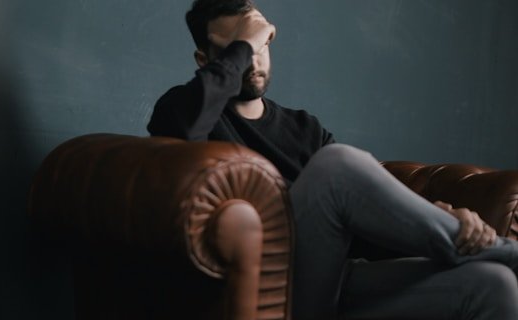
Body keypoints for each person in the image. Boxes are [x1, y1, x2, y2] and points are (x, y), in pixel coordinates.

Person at [147, 0, 518, 319]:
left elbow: (360, 223)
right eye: (242, 48)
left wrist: (439, 217)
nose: (254, 59)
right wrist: (246, 41)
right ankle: (503, 251)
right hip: (272, 289)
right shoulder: (183, 109)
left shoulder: (304, 127)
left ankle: (480, 249)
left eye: (263, 43)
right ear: (205, 59)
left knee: (492, 284)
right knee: (336, 166)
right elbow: (181, 128)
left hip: (336, 284)